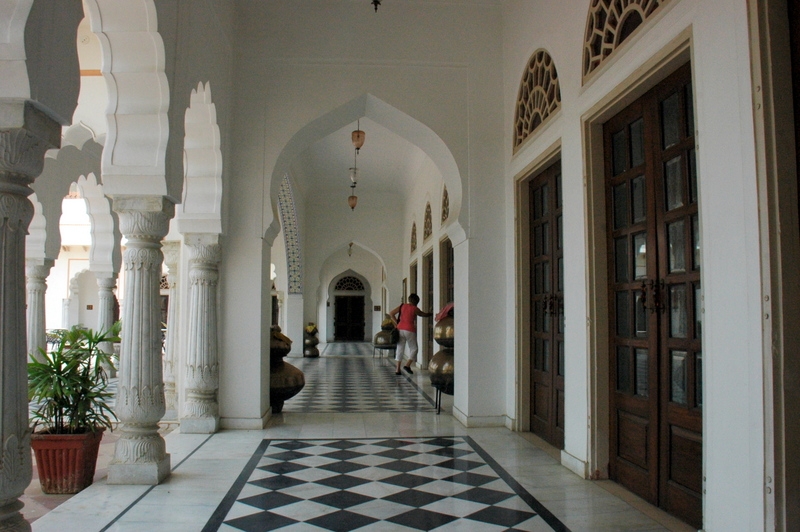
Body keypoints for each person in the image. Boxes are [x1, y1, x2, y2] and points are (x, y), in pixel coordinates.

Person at [389, 294, 433, 375]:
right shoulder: (415, 308)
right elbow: (423, 314)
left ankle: (397, 369)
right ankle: (407, 365)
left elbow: (391, 313)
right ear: (417, 301)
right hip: (410, 330)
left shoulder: (402, 306)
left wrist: (397, 323)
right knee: (414, 348)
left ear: (409, 299)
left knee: (400, 348)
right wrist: (430, 313)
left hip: (400, 329)